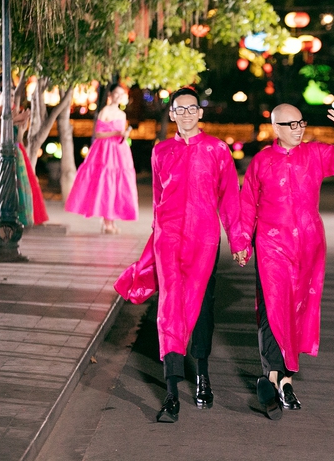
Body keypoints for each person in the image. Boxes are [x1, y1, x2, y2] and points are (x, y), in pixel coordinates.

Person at [114, 87, 249, 423]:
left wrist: (239, 241)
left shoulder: (217, 150)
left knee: (202, 308)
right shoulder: (161, 150)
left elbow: (230, 198)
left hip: (205, 238)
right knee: (170, 306)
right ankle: (171, 391)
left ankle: (202, 375)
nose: (187, 114)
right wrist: (154, 239)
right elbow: (158, 199)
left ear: (200, 113)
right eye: (180, 109)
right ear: (172, 114)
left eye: (192, 108)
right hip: (169, 238)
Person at [241, 105, 334, 420]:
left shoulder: (315, 154)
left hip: (308, 245)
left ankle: (285, 379)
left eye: (301, 123)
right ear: (276, 128)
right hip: (271, 243)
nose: (298, 129)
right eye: (291, 124)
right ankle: (273, 376)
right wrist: (242, 240)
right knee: (272, 306)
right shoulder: (261, 161)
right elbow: (247, 202)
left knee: (297, 309)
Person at [65, 83, 138, 233]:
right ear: (110, 95)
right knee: (107, 184)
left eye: (121, 94)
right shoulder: (105, 111)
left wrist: (124, 135)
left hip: (119, 150)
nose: (119, 96)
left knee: (117, 184)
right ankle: (107, 222)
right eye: (116, 93)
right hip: (105, 151)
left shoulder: (122, 114)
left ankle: (111, 220)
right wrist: (116, 133)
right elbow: (98, 134)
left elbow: (120, 133)